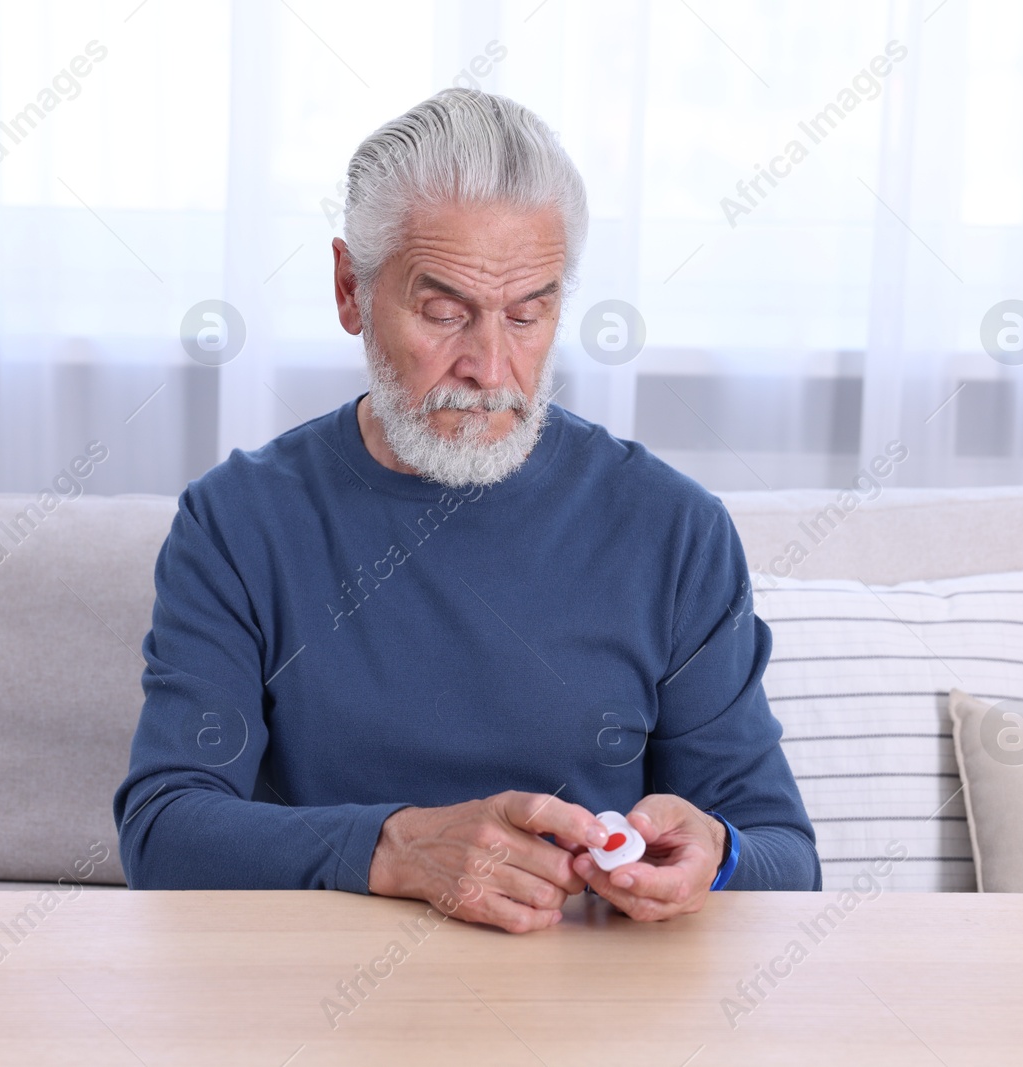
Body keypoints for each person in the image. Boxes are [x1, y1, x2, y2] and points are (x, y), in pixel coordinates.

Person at [114, 88, 819, 934]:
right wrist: (396, 848)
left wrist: (719, 851)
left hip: (590, 1014)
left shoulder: (673, 530)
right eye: (445, 312)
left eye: (529, 313)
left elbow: (786, 855)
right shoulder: (238, 522)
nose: (491, 366)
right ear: (350, 289)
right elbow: (163, 831)